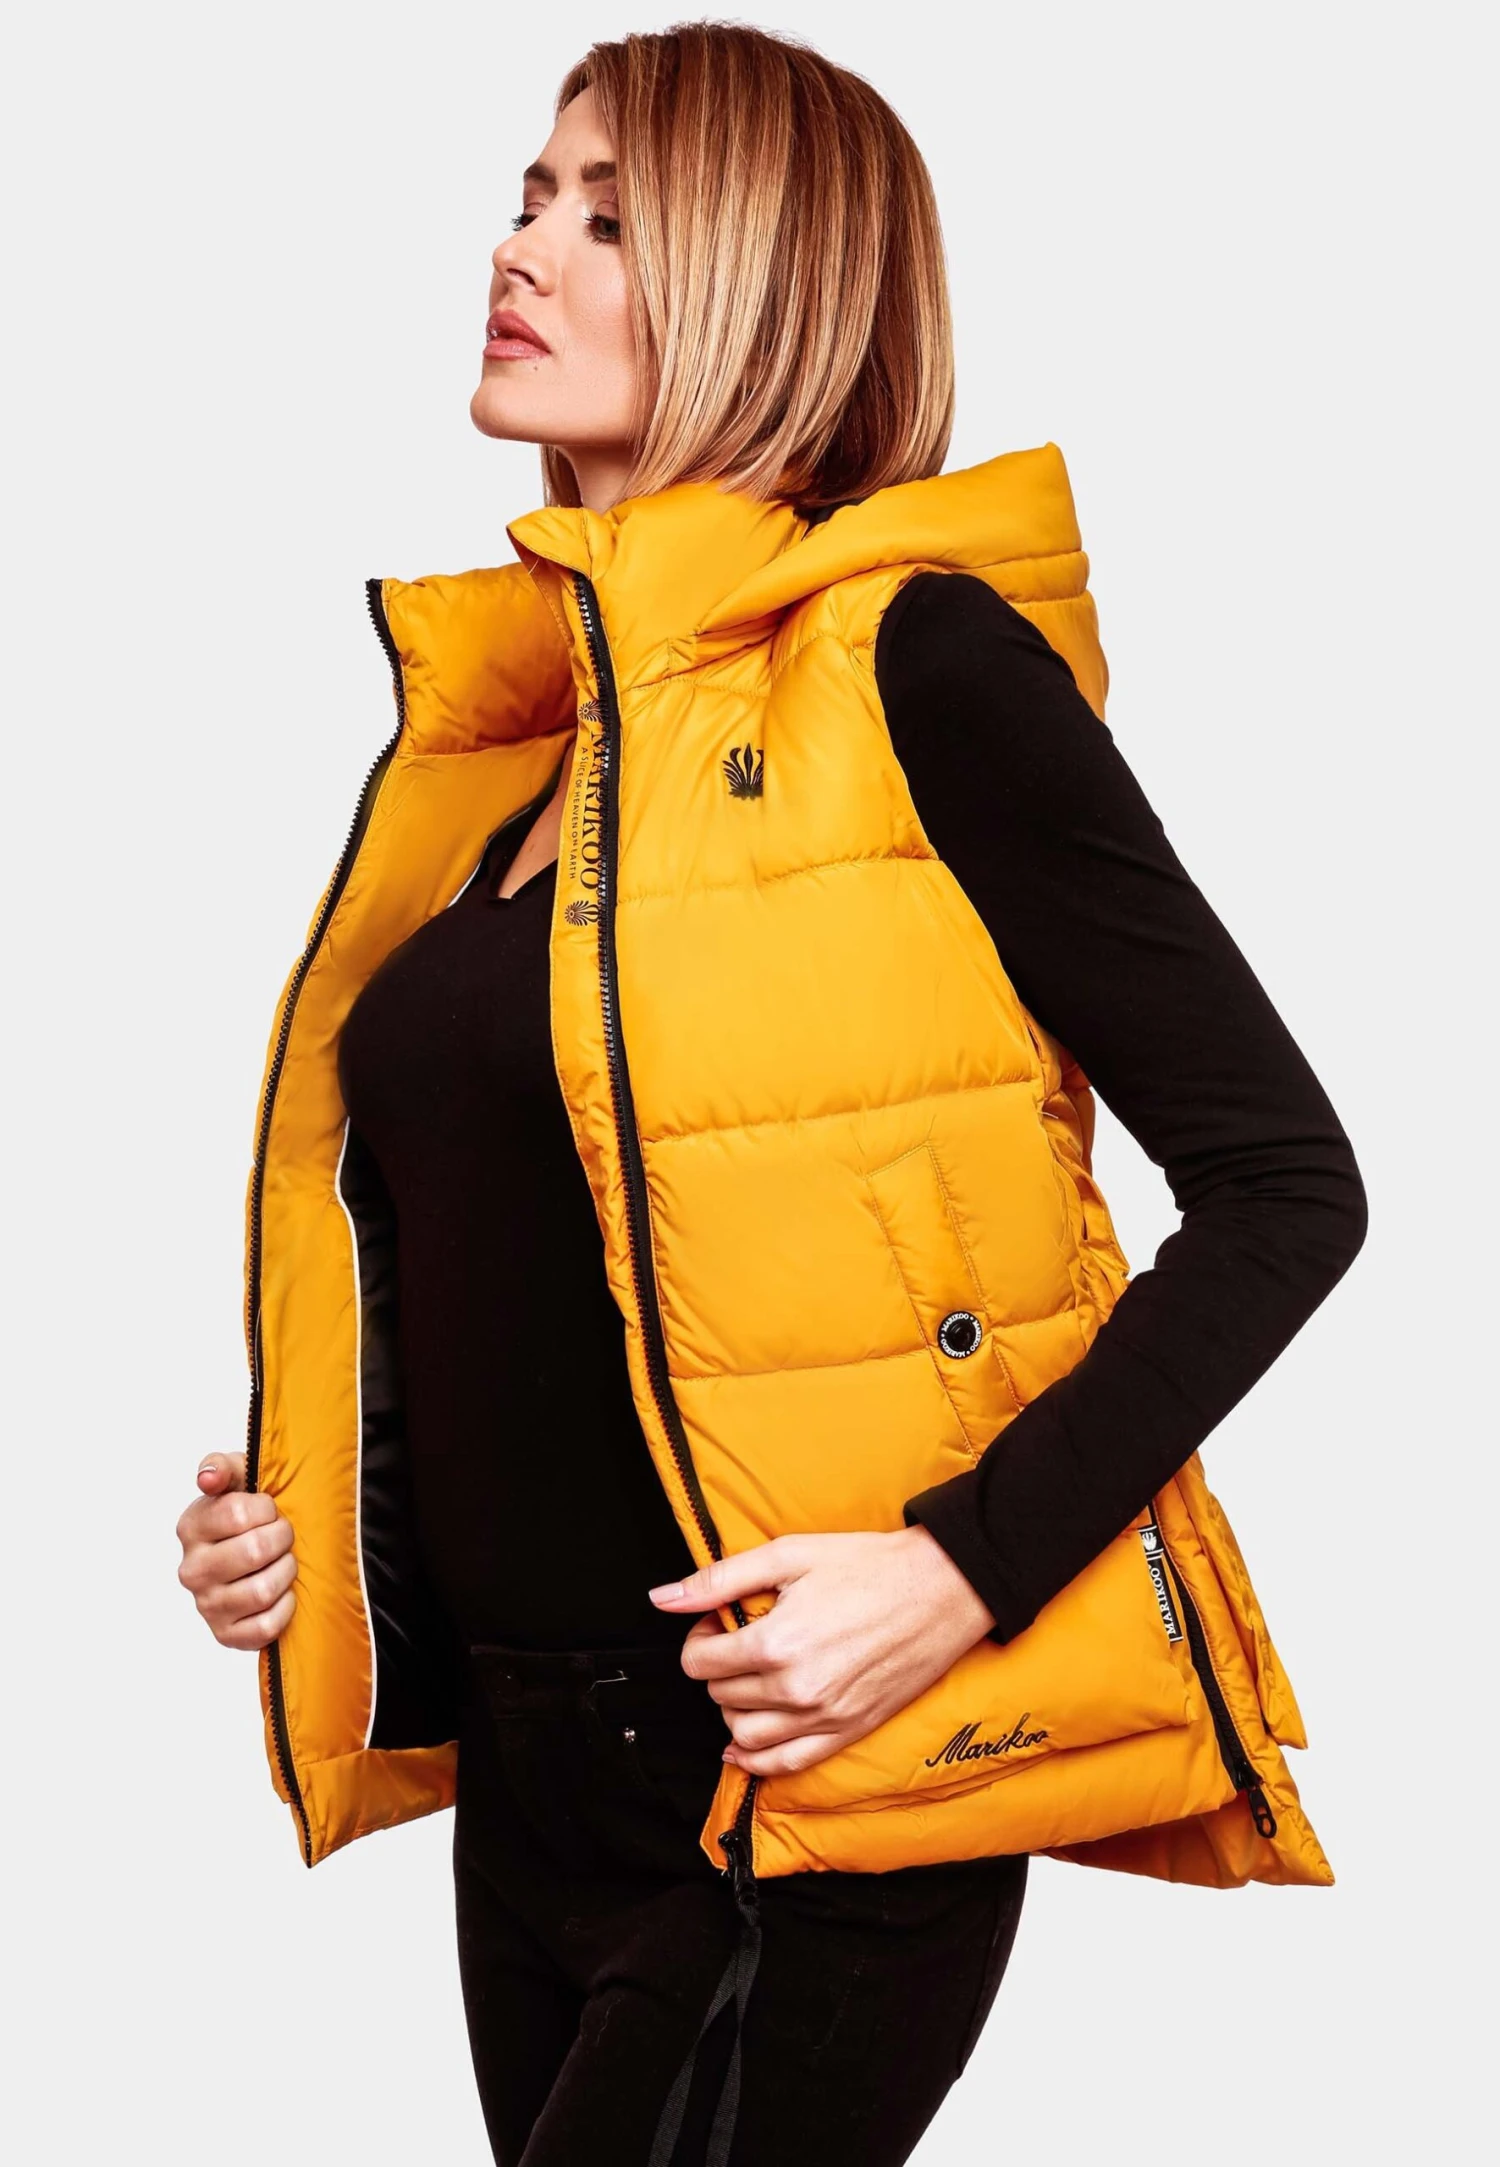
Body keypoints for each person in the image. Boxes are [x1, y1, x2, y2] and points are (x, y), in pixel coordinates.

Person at [175, 23, 1367, 2167]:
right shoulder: (524, 776)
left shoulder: (918, 666)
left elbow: (1291, 1185)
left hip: (802, 1781)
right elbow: (519, 1268)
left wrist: (962, 1569)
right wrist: (314, 1530)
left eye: (609, 215)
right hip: (531, 1791)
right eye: (528, 197)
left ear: (773, 278)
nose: (521, 248)